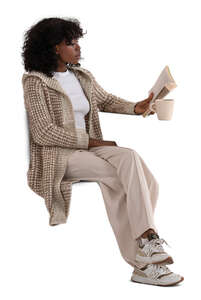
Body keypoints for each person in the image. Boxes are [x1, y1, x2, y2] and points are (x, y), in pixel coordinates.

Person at [21, 17, 184, 286]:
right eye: (70, 43)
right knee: (118, 176)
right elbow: (43, 132)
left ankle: (145, 251)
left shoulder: (80, 76)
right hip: (58, 157)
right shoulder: (35, 82)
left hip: (87, 150)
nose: (77, 48)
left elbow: (105, 100)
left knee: (138, 168)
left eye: (77, 42)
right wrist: (94, 143)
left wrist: (137, 107)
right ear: (53, 48)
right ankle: (144, 254)